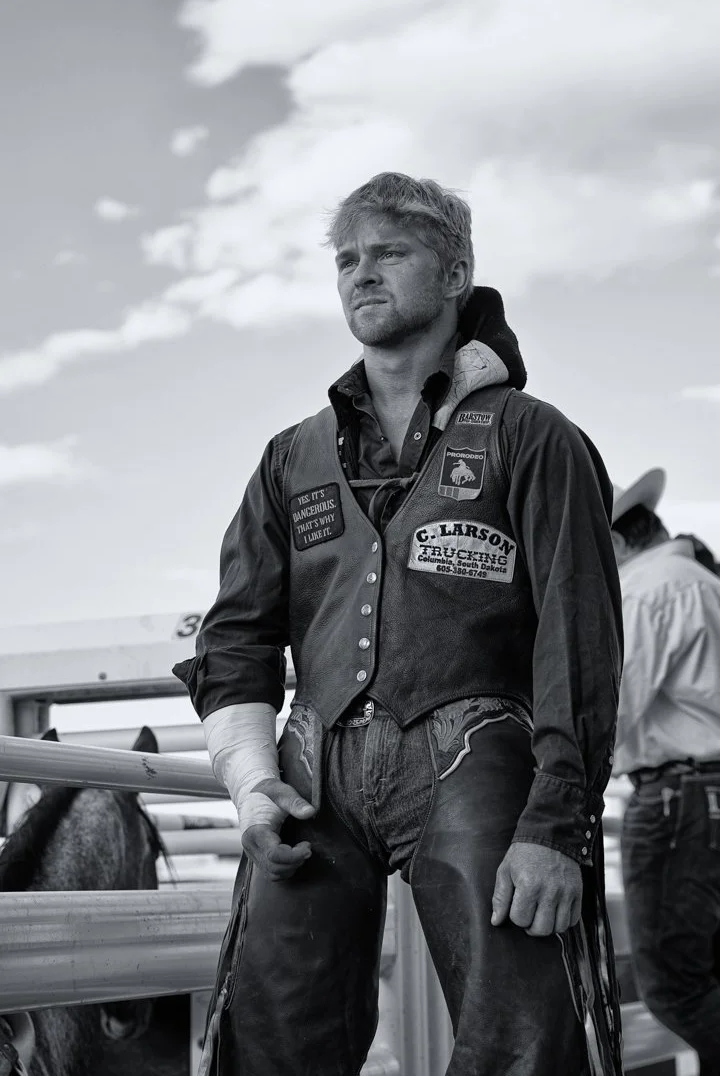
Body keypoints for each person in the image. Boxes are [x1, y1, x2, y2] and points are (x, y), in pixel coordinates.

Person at [173, 172, 624, 1076]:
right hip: (314, 763)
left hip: (482, 751)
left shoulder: (532, 437)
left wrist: (554, 829)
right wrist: (254, 785)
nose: (361, 275)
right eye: (346, 260)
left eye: (389, 253)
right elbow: (235, 637)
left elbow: (578, 641)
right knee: (269, 1039)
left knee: (526, 1041)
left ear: (456, 271)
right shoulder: (290, 456)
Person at [611, 469, 720, 1076]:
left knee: (674, 986)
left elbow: (614, 708)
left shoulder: (647, 588)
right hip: (706, 793)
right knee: (707, 977)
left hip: (680, 797)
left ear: (620, 544)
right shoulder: (701, 578)